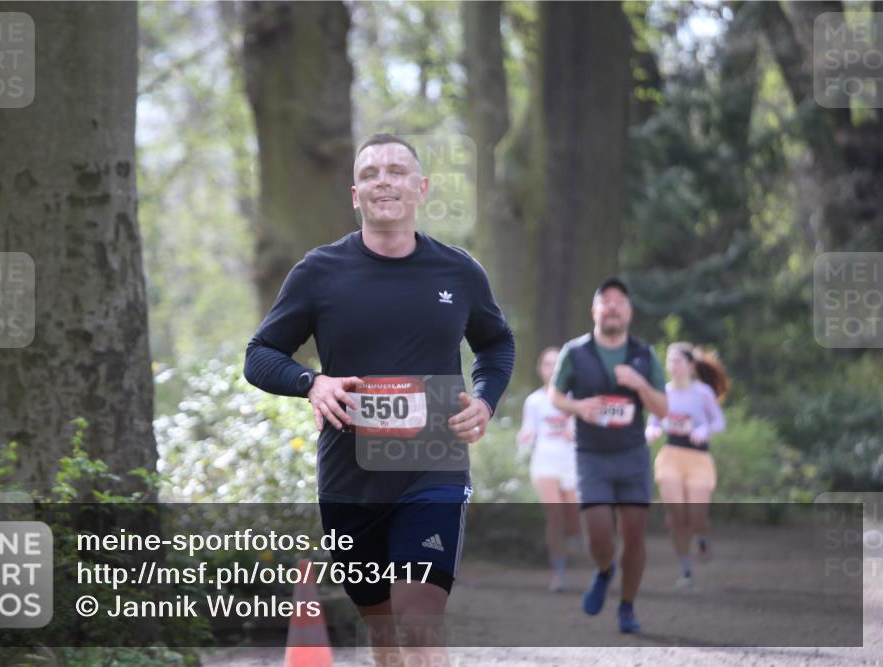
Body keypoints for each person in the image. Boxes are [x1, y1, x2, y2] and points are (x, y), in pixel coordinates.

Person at [244, 133, 515, 666]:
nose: (383, 180)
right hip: (350, 478)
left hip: (433, 469)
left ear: (420, 188)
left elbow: (496, 342)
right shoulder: (318, 273)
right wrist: (312, 383)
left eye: (396, 171)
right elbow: (260, 354)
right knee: (384, 629)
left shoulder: (458, 272)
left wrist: (484, 400)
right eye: (370, 173)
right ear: (355, 194)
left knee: (418, 619)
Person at [549, 277, 667, 634]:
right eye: (606, 301)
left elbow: (663, 406)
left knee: (634, 535)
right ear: (595, 310)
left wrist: (639, 383)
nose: (613, 306)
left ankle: (627, 607)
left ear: (629, 312)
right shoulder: (575, 352)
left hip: (632, 456)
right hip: (592, 457)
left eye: (620, 302)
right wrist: (578, 406)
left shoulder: (644, 355)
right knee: (598, 535)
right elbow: (556, 396)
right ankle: (604, 570)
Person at [646, 342, 727, 589]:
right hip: (671, 455)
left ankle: (701, 537)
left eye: (678, 361)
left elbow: (719, 423)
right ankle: (685, 569)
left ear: (690, 365)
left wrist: (704, 428)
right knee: (677, 515)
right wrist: (652, 430)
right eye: (670, 361)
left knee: (696, 517)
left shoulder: (703, 392)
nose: (673, 366)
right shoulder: (662, 392)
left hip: (699, 459)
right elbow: (653, 421)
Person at [517, 346, 581, 592]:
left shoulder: (575, 397)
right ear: (540, 369)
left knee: (573, 517)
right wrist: (525, 436)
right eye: (547, 364)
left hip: (572, 463)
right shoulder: (534, 401)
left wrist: (573, 430)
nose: (551, 368)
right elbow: (527, 430)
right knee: (554, 516)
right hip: (545, 462)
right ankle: (560, 573)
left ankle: (578, 537)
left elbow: (586, 425)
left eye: (556, 364)